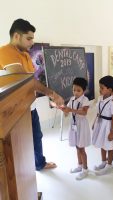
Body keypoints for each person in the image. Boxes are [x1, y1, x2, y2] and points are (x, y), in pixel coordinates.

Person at [0, 19, 64, 170]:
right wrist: (52, 94)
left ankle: (39, 164)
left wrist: (50, 96)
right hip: (15, 110)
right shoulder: (4, 53)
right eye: (28, 39)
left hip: (31, 106)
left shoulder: (25, 55)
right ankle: (22, 175)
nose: (31, 43)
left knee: (37, 137)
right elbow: (28, 82)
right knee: (18, 145)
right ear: (16, 36)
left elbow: (32, 79)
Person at [59, 77, 91, 180]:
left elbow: (84, 112)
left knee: (81, 148)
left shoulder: (85, 100)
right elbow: (67, 113)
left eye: (78, 90)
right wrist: (64, 110)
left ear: (84, 90)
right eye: (74, 90)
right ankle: (79, 165)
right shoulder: (72, 99)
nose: (75, 92)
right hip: (74, 125)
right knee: (77, 147)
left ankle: (85, 170)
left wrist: (70, 109)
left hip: (81, 125)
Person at [92, 75, 113, 176]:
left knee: (109, 146)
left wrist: (111, 132)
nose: (100, 90)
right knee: (102, 143)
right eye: (100, 87)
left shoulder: (112, 103)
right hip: (101, 124)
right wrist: (94, 122)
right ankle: (103, 162)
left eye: (102, 88)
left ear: (110, 90)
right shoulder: (100, 98)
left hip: (108, 125)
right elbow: (98, 112)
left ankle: (109, 165)